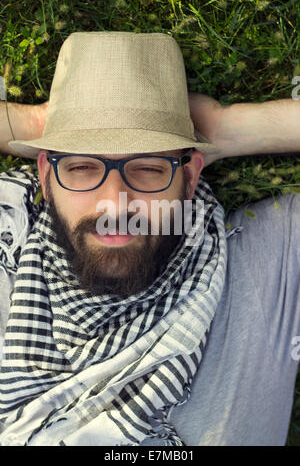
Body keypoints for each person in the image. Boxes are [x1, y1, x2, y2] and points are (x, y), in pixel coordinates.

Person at [0, 31, 299, 446]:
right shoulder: (7, 242)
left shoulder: (266, 268)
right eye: (83, 167)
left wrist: (228, 129)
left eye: (149, 168)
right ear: (47, 178)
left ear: (190, 176)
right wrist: (38, 126)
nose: (115, 203)